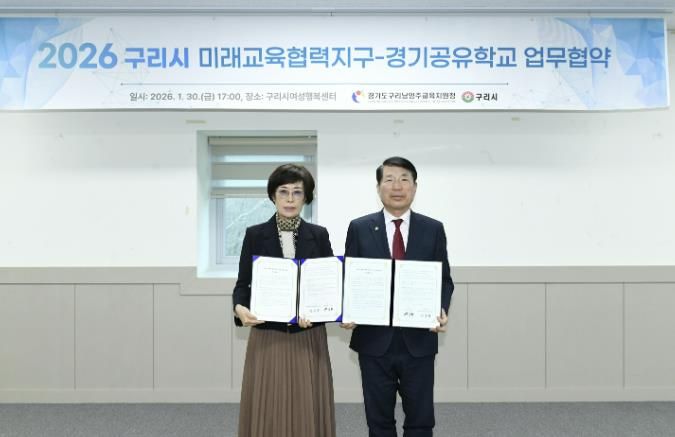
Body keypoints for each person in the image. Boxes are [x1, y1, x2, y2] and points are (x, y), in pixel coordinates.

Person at [341, 156, 454, 437]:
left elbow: (444, 279)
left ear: (415, 187)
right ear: (378, 187)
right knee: (378, 421)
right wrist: (347, 309)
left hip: (419, 340)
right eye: (389, 179)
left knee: (421, 420)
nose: (397, 186)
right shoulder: (359, 227)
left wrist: (441, 308)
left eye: (404, 179)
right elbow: (349, 277)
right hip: (373, 340)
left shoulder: (433, 228)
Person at [232, 163, 336, 437]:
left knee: (305, 404)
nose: (290, 199)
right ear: (273, 196)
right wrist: (239, 308)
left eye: (297, 192)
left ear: (306, 197)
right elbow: (242, 285)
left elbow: (327, 285)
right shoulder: (255, 234)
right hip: (268, 334)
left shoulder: (319, 235)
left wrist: (320, 312)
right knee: (270, 403)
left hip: (307, 334)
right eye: (283, 191)